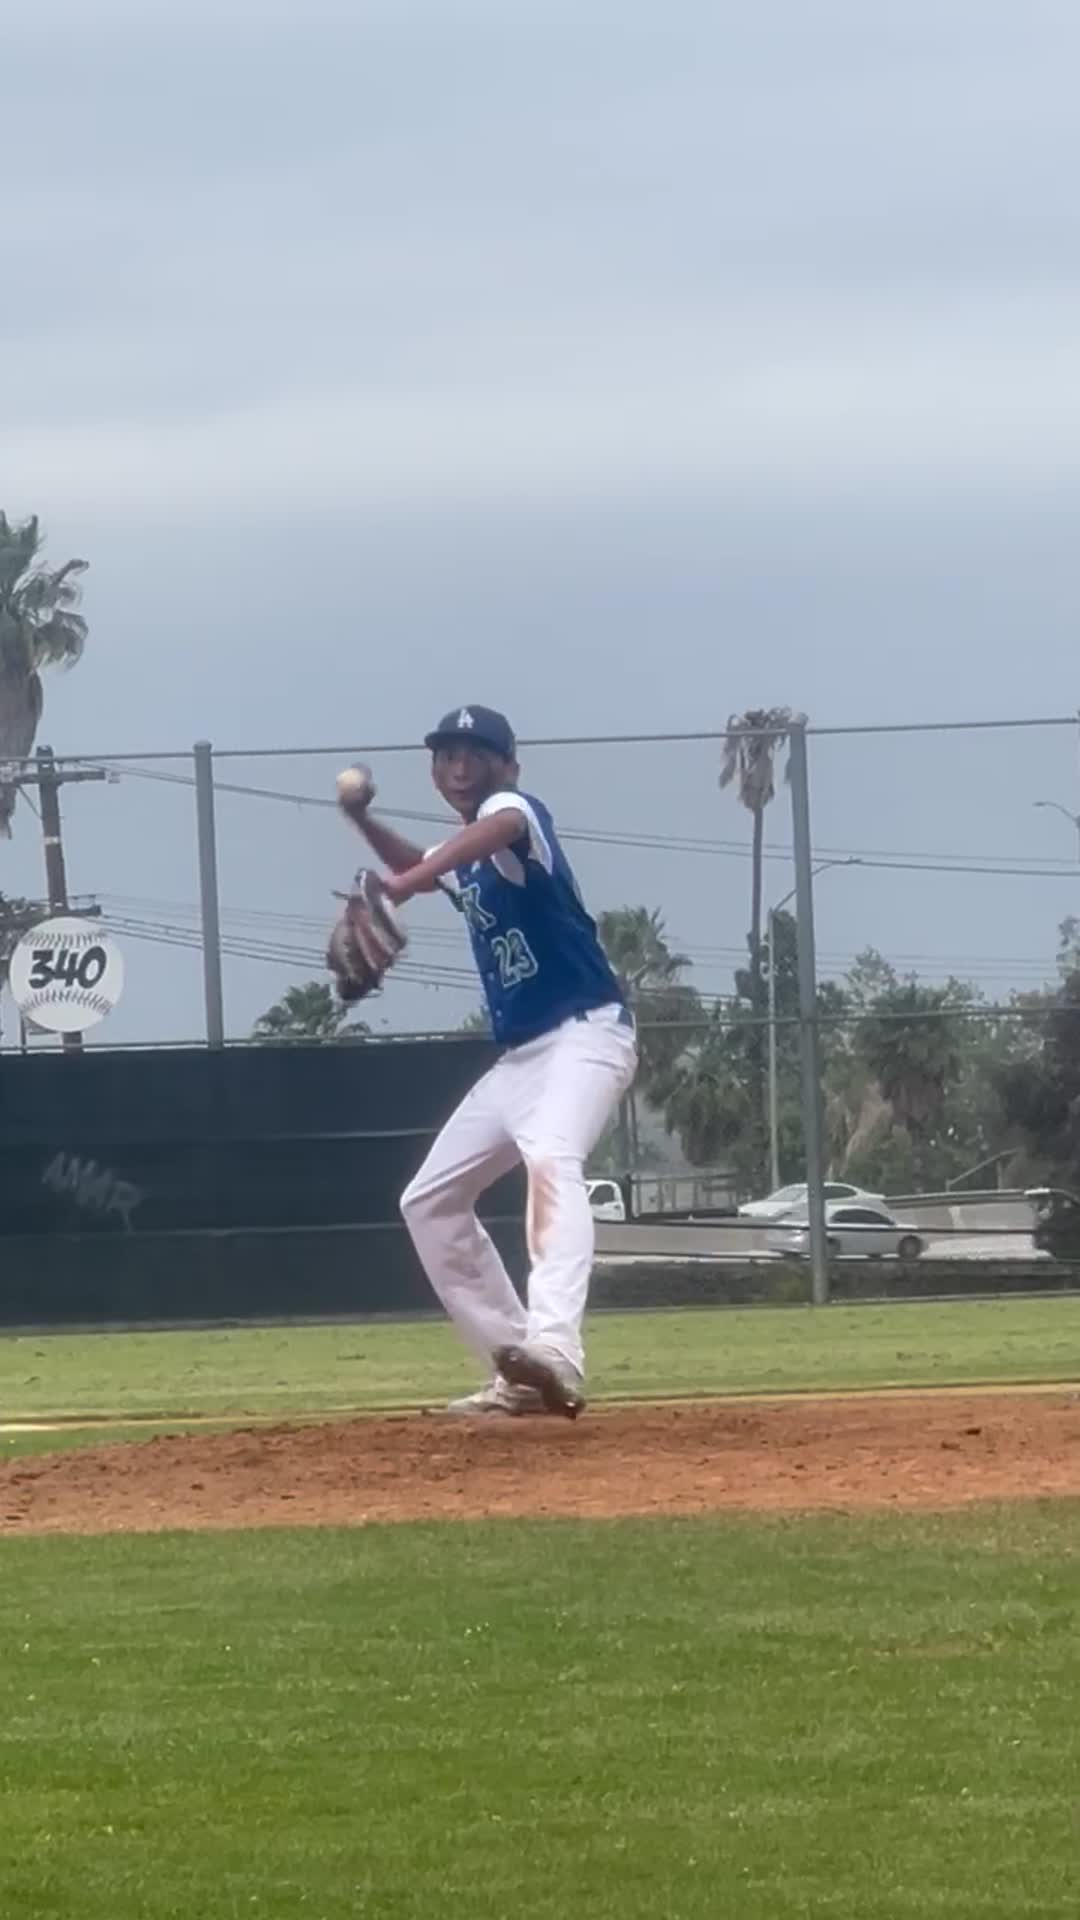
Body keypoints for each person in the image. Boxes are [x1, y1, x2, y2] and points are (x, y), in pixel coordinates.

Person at [346, 705, 637, 1417]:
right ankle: (519, 1371)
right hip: (521, 1059)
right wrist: (362, 820)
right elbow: (422, 867)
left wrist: (405, 885)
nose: (458, 766)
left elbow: (486, 833)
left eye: (475, 753)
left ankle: (556, 1347)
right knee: (429, 1202)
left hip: (586, 1036)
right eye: (446, 755)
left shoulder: (517, 815)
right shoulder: (466, 857)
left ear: (509, 765)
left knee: (552, 1160)